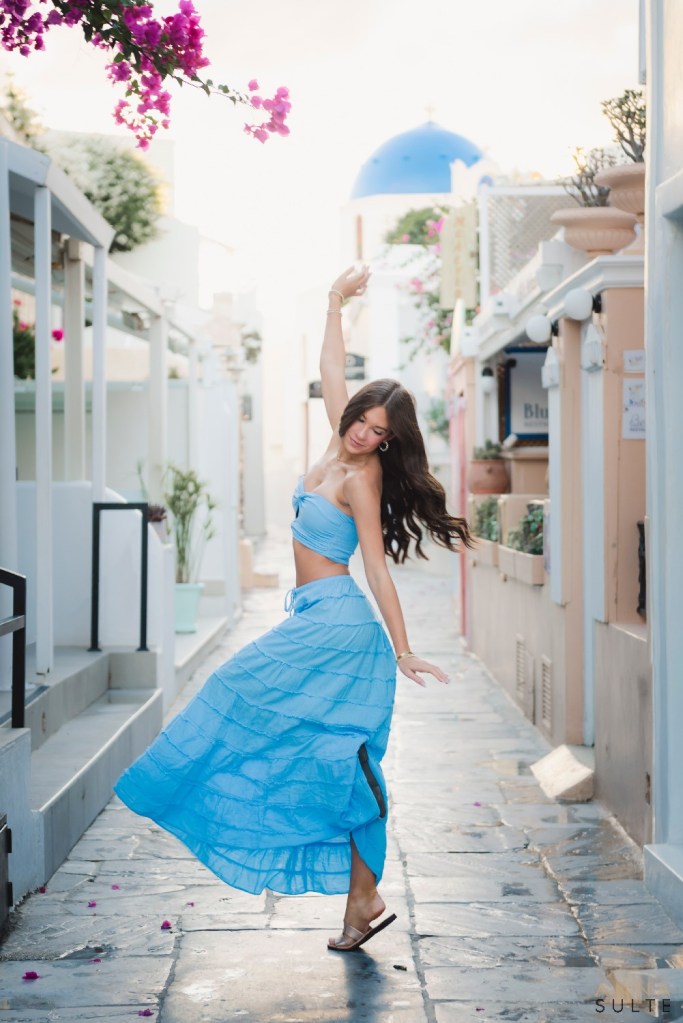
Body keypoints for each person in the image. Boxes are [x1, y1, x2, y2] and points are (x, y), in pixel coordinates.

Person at [114, 265, 471, 953]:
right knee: (327, 756)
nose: (362, 434)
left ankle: (362, 893)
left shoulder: (362, 478)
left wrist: (402, 647)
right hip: (314, 619)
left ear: (388, 441)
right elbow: (331, 365)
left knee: (276, 718)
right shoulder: (334, 445)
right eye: (360, 421)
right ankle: (362, 899)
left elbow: (376, 568)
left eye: (376, 431)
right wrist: (334, 299)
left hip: (340, 625)